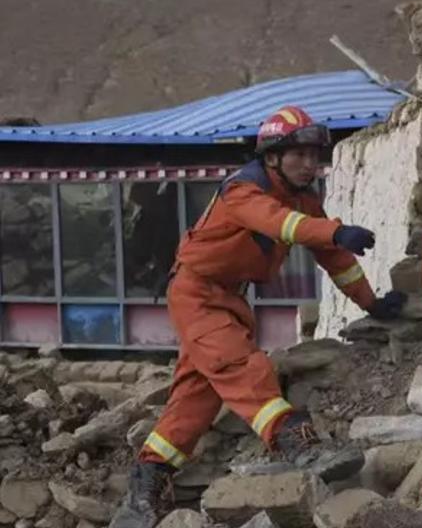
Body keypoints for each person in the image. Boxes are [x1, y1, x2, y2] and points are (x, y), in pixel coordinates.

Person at [110, 106, 407, 528]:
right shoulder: (244, 191)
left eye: (313, 155)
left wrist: (371, 304)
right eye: (298, 155)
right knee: (242, 366)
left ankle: (145, 491)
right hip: (197, 294)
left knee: (194, 399)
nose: (309, 164)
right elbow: (281, 224)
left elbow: (336, 259)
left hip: (229, 297)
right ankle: (297, 442)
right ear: (272, 157)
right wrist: (334, 229)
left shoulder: (303, 199)